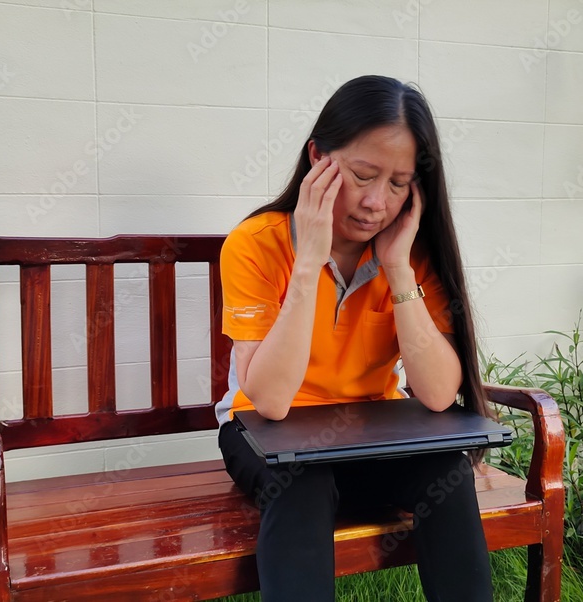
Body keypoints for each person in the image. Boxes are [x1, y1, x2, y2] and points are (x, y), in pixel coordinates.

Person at [215, 74, 493, 602]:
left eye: (397, 183)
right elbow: (269, 401)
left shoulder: (411, 254)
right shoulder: (255, 244)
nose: (375, 202)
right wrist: (308, 264)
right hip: (264, 436)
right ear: (317, 157)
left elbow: (435, 394)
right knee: (302, 478)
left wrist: (397, 268)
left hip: (371, 435)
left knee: (447, 470)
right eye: (363, 174)